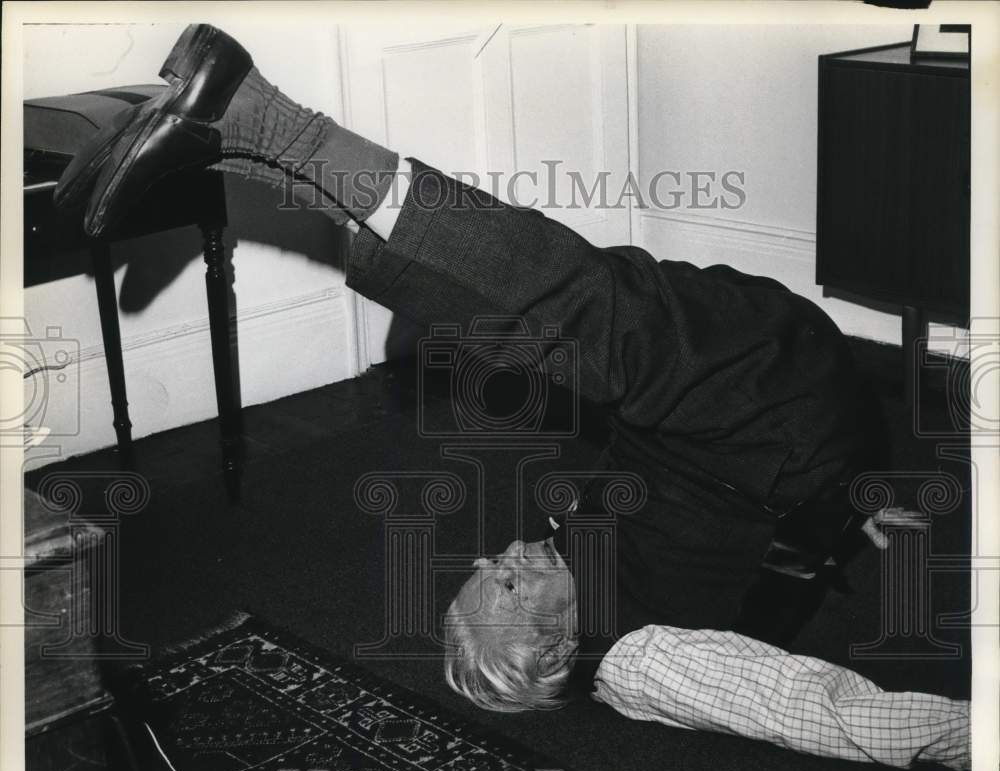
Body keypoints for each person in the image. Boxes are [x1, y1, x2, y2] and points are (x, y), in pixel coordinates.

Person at [58, 25, 906, 721]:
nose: (498, 554)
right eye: (500, 582)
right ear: (557, 641)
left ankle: (232, 147)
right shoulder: (650, 652)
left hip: (720, 397)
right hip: (781, 410)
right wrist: (848, 504)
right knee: (574, 311)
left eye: (483, 571)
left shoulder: (584, 566)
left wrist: (845, 511)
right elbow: (803, 698)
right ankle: (261, 121)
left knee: (525, 320)